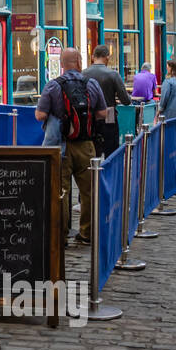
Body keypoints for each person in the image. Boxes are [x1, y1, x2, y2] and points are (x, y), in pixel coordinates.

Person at [35, 47, 107, 248]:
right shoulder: (91, 84)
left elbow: (40, 115)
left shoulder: (53, 86)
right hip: (86, 145)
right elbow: (102, 112)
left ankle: (61, 234)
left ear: (62, 63)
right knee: (89, 191)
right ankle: (87, 232)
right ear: (79, 61)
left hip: (60, 146)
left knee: (61, 191)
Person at [82, 44, 130, 158]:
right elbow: (126, 100)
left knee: (92, 152)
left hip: (89, 116)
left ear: (93, 57)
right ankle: (109, 175)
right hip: (109, 115)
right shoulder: (113, 74)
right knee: (111, 152)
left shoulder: (83, 74)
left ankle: (94, 174)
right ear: (107, 57)